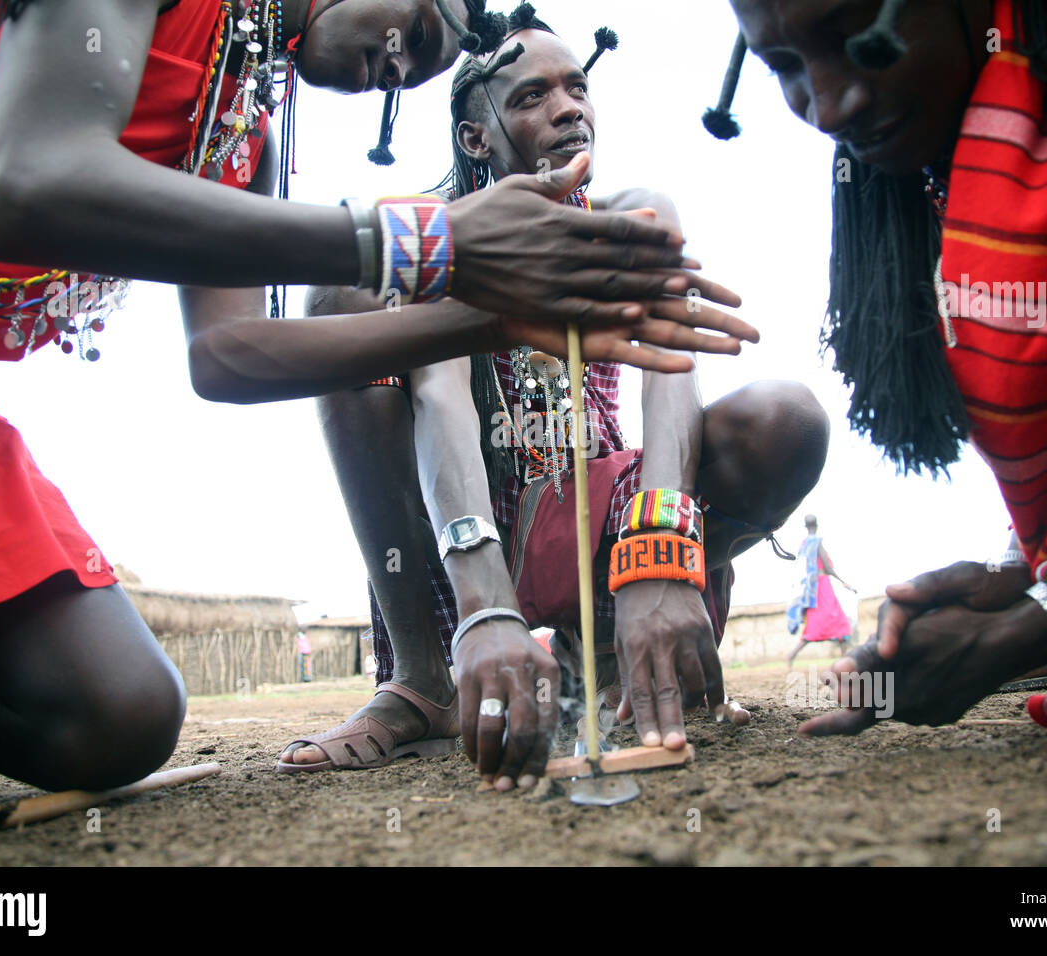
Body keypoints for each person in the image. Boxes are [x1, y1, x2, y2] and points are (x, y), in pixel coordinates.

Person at [0, 0, 748, 830]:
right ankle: (424, 674)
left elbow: (223, 357)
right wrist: (430, 248)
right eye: (414, 32)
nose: (399, 66)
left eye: (420, 64)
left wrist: (490, 315)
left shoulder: (238, 123)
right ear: (476, 137)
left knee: (124, 717)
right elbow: (24, 180)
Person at [277, 6, 830, 789]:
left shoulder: (631, 213)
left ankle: (615, 650)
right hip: (466, 522)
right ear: (476, 138)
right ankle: (424, 678)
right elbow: (443, 402)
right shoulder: (436, 236)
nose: (569, 107)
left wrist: (660, 550)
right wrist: (486, 606)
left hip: (602, 515)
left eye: (577, 88)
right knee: (341, 302)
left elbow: (671, 373)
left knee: (785, 419)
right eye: (533, 96)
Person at [721, 0, 1047, 734]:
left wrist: (1041, 623)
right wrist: (1024, 579)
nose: (828, 104)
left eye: (857, 38)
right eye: (782, 65)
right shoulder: (947, 164)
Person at [785, 515, 854, 667]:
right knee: (839, 622)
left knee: (818, 624)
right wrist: (845, 583)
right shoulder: (816, 542)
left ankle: (791, 656)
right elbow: (828, 568)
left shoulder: (804, 544)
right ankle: (845, 661)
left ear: (805, 526)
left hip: (811, 590)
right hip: (822, 588)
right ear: (817, 525)